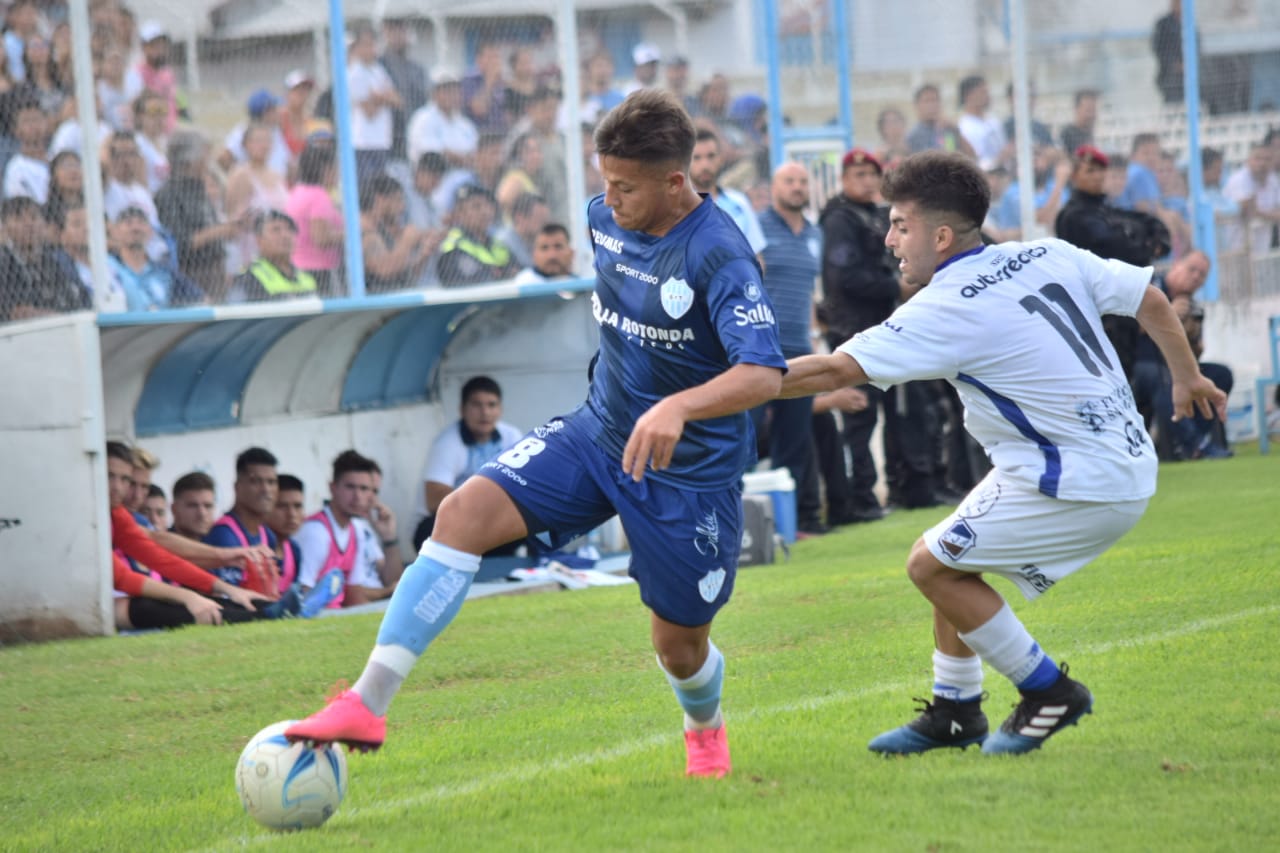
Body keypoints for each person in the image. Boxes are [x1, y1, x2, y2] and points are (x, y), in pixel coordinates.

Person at [284, 90, 787, 780]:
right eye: (603, 182)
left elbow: (762, 372)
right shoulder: (602, 221)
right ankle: (364, 703)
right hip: (599, 435)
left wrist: (678, 408)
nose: (608, 201)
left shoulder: (721, 254)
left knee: (679, 647)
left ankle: (704, 725)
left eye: (625, 187)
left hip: (689, 474)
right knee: (459, 513)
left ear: (676, 181)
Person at [776, 150, 1226, 756]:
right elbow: (1148, 296)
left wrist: (721, 385)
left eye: (900, 226)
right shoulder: (1045, 251)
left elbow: (829, 370)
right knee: (950, 551)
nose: (888, 240)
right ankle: (955, 712)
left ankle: (1050, 690)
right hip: (1112, 459)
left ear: (940, 235)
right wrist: (1187, 377)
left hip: (1079, 480)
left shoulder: (946, 306)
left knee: (929, 566)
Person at [818, 148, 918, 521]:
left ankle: (896, 488)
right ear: (844, 179)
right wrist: (895, 287)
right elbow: (846, 277)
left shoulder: (875, 215)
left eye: (871, 174)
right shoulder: (840, 219)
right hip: (852, 330)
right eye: (857, 174)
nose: (866, 181)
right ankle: (860, 498)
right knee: (859, 417)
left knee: (895, 412)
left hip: (882, 327)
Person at [106, 442, 289, 629]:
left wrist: (229, 589)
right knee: (149, 606)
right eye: (110, 476)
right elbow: (124, 575)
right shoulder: (92, 517)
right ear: (174, 509)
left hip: (118, 605)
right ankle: (265, 616)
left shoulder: (116, 513)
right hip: (105, 609)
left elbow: (159, 557)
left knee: (214, 601)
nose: (118, 487)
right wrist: (188, 596)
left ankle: (270, 610)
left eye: (124, 479)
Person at [754, 161, 824, 535]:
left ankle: (789, 524)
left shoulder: (815, 233)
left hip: (799, 347)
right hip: (759, 346)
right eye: (789, 181)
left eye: (802, 181)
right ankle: (740, 521)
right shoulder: (757, 228)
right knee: (745, 435)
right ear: (773, 187)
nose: (797, 187)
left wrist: (814, 339)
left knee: (794, 440)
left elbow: (811, 294)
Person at [411, 376, 525, 551]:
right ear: (462, 409)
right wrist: (485, 504)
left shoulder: (512, 436)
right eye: (476, 405)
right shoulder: (447, 443)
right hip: (451, 521)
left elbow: (526, 484)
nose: (485, 412)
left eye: (491, 405)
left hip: (492, 519)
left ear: (500, 410)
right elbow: (434, 499)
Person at [294, 449, 395, 609]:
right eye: (350, 487)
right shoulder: (316, 532)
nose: (358, 497)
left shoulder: (356, 529)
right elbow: (301, 598)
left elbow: (353, 595)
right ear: (332, 488)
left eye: (364, 489)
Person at [202, 447, 287, 595]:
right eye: (256, 481)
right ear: (237, 487)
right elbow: (224, 599)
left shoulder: (267, 535)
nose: (266, 490)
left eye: (271, 482)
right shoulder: (224, 535)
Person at [0, 196, 88, 322]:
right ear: (4, 228)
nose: (28, 224)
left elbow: (75, 299)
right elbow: (17, 312)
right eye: (18, 218)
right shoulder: (4, 263)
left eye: (34, 217)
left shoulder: (50, 262)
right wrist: (64, 319)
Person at [690, 129, 767, 258]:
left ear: (721, 159)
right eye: (697, 158)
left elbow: (757, 258)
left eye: (711, 156)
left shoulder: (740, 203)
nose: (705, 164)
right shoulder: (675, 207)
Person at [359, 173, 440, 293]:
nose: (402, 207)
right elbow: (385, 269)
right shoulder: (366, 231)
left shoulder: (383, 230)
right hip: (383, 307)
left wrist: (423, 255)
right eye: (397, 199)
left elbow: (402, 273)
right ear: (380, 199)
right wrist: (407, 242)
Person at [285, 141, 343, 296]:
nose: (338, 173)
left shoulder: (298, 191)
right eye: (335, 168)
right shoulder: (319, 196)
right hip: (319, 271)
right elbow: (320, 238)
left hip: (300, 266)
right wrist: (353, 232)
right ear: (325, 170)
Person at [347, 23, 401, 183]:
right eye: (365, 45)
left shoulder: (378, 70)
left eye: (372, 44)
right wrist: (385, 97)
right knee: (367, 188)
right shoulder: (354, 73)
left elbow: (398, 100)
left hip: (381, 142)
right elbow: (369, 112)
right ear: (356, 47)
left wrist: (377, 97)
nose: (370, 49)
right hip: (363, 144)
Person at [436, 183, 518, 287]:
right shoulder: (452, 247)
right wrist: (503, 274)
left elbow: (519, 274)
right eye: (476, 206)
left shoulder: (499, 245)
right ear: (460, 213)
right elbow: (473, 284)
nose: (485, 211)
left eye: (488, 205)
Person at [231, 210, 317, 302]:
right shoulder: (249, 278)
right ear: (259, 240)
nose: (285, 235)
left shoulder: (306, 277)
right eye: (276, 230)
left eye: (290, 230)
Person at [379, 18, 429, 163]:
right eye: (393, 31)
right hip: (389, 136)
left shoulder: (416, 69)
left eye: (402, 30)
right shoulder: (379, 66)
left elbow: (424, 100)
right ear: (386, 34)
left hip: (414, 132)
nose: (398, 36)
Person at [1223, 142, 1280, 258]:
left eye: (1267, 159)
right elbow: (1249, 210)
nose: (1262, 163)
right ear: (1248, 160)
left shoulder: (1273, 180)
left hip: (1262, 249)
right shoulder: (1238, 180)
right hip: (1237, 249)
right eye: (1258, 158)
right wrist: (1268, 213)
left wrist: (1260, 212)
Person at [955, 75, 1007, 170]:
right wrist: (1001, 158)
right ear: (969, 95)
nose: (987, 96)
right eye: (983, 92)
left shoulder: (994, 121)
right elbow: (976, 161)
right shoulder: (964, 127)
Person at [905, 83, 972, 157]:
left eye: (935, 100)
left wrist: (954, 129)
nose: (932, 105)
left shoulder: (949, 129)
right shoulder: (914, 136)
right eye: (927, 101)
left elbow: (970, 156)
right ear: (917, 105)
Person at [493, 192, 549, 271]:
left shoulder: (537, 241)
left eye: (546, 219)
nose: (545, 224)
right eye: (540, 218)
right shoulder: (502, 243)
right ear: (519, 218)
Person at [266, 473, 307, 573]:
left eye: (297, 506)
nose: (292, 514)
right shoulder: (254, 546)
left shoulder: (294, 550)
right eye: (282, 506)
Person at [170, 471, 218, 541]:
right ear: (174, 509)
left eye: (208, 506)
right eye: (193, 506)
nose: (202, 513)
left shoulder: (220, 543)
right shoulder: (157, 546)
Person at [1059, 89, 1099, 155]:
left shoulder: (1088, 133)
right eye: (1088, 110)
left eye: (1094, 110)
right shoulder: (1067, 134)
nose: (1092, 115)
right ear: (1077, 109)